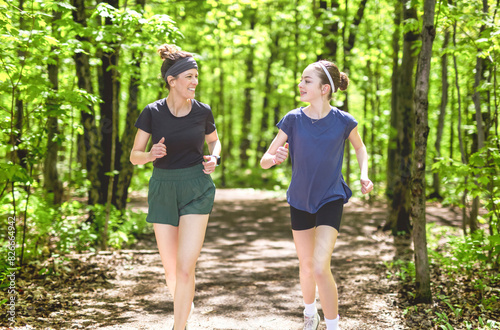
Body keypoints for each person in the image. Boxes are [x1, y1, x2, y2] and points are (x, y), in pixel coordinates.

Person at [260, 60, 373, 330]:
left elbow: (360, 148)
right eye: (301, 79)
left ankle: (333, 325)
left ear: (325, 88)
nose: (300, 84)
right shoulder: (293, 119)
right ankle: (310, 312)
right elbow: (264, 160)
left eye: (307, 81)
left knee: (321, 266)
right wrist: (274, 158)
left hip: (331, 197)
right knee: (306, 264)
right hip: (299, 199)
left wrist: (364, 173)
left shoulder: (344, 121)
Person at [130, 44, 221, 330]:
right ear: (172, 80)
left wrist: (214, 158)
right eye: (190, 77)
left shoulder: (202, 111)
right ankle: (185, 301)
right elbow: (135, 156)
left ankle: (178, 325)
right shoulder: (152, 112)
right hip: (163, 188)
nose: (196, 82)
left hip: (196, 187)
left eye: (197, 76)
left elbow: (214, 141)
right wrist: (150, 155)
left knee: (185, 267)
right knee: (171, 270)